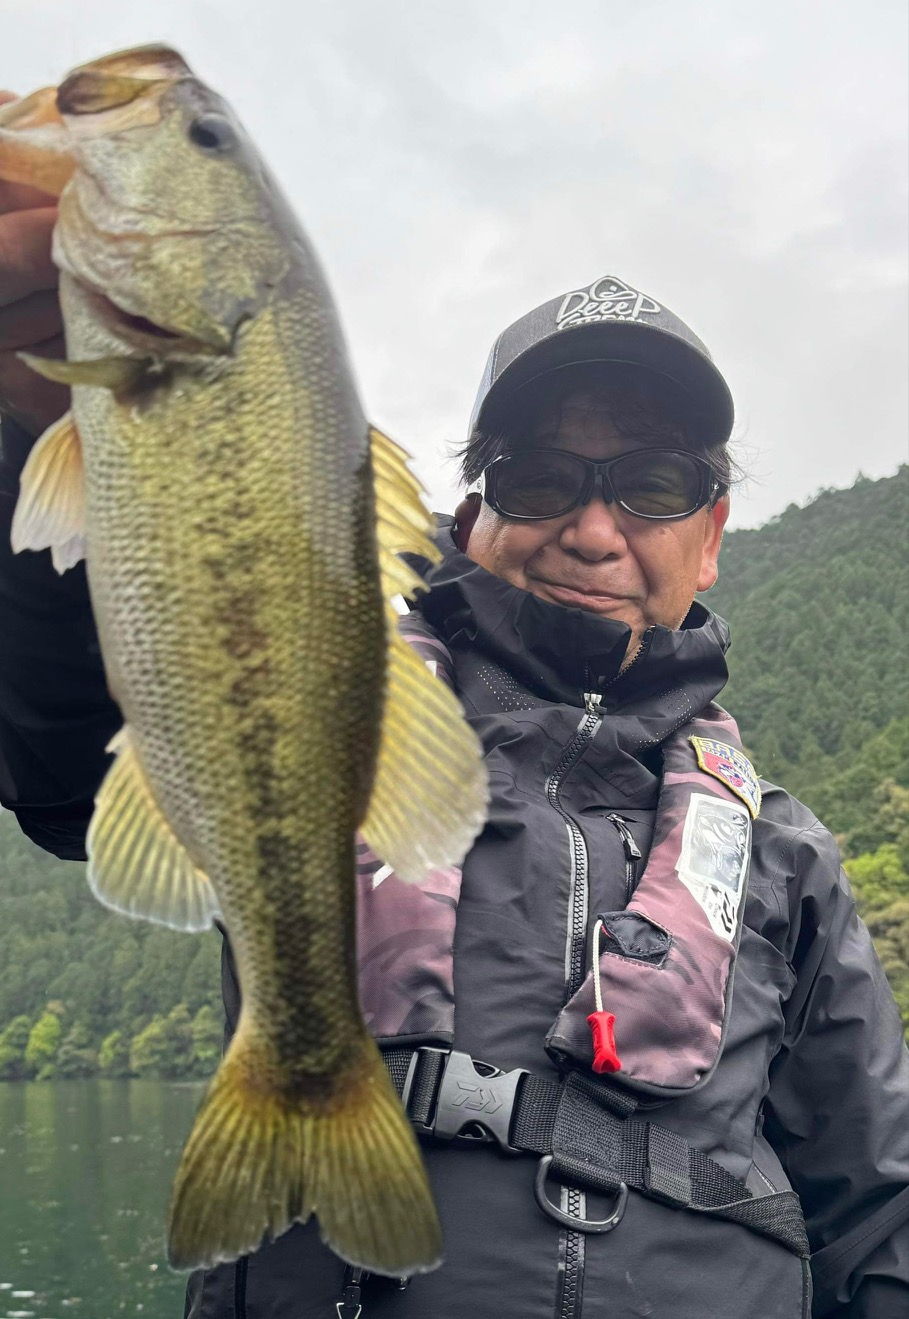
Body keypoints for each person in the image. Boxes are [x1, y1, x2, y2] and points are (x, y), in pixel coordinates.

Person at [0, 138, 907, 1319]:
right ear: (473, 510)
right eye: (540, 480)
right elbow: (62, 749)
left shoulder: (788, 855)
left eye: (652, 486)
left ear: (712, 535)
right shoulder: (327, 701)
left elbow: (877, 1208)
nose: (594, 531)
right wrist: (32, 427)